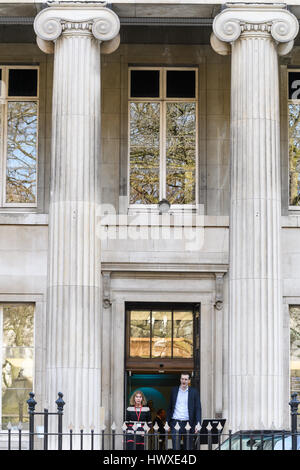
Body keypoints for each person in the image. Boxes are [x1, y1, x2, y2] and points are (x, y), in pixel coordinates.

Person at [167, 372, 201, 450]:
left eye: (186, 379)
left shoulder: (194, 392)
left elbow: (198, 408)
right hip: (176, 423)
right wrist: (167, 422)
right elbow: (169, 408)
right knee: (176, 447)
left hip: (189, 423)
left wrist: (198, 423)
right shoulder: (174, 390)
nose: (184, 381)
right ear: (180, 379)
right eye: (182, 379)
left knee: (188, 447)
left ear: (189, 381)